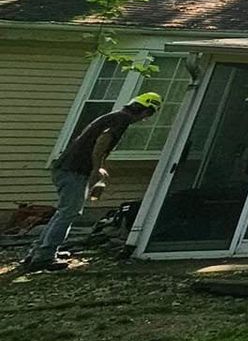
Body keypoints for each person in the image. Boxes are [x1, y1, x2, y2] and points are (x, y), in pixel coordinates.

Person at [25, 92, 161, 272]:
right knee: (68, 213)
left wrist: (100, 168)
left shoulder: (113, 117)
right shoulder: (121, 120)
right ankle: (44, 257)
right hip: (74, 170)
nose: (145, 119)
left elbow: (99, 148)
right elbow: (101, 143)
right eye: (149, 114)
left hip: (65, 167)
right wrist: (96, 169)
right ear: (145, 111)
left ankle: (37, 252)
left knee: (63, 212)